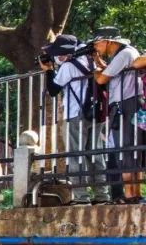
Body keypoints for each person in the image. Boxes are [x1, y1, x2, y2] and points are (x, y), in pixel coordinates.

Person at [41, 34, 108, 203]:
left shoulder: (68, 67)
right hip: (96, 113)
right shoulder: (91, 60)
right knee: (95, 154)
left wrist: (48, 70)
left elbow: (54, 89)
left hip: (76, 114)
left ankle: (81, 197)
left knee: (75, 155)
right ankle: (102, 195)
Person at [92, 26, 143, 203]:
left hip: (125, 104)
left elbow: (101, 79)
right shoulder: (123, 55)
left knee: (126, 149)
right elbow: (111, 71)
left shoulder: (124, 54)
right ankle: (134, 193)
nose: (96, 47)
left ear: (108, 41)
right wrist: (98, 61)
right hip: (128, 103)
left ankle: (130, 195)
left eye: (97, 44)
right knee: (130, 149)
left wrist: (95, 72)